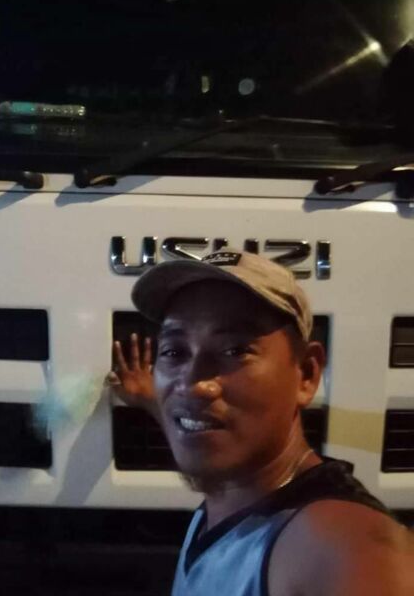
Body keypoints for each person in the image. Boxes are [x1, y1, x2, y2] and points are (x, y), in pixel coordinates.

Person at [107, 249, 414, 596]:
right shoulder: (232, 490)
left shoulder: (339, 543)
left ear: (306, 374)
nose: (193, 385)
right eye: (174, 352)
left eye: (235, 351)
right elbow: (198, 423)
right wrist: (150, 399)